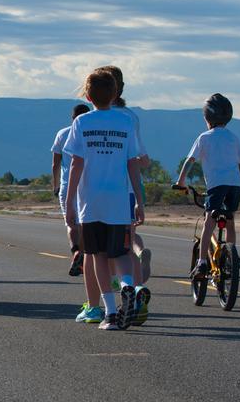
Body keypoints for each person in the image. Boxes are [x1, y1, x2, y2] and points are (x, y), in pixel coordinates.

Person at [65, 70, 148, 330]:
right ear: (115, 94)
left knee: (97, 255)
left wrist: (69, 203)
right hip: (118, 198)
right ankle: (127, 285)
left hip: (91, 200)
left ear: (88, 96)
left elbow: (76, 164)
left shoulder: (82, 122)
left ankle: (110, 313)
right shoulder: (125, 122)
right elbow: (133, 164)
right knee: (121, 252)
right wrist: (139, 200)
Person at [96, 64, 152, 324]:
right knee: (126, 247)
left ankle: (113, 302)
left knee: (102, 252)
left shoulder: (92, 118)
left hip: (98, 193)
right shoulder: (131, 117)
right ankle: (136, 293)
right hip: (128, 190)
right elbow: (141, 159)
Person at [177, 93, 240, 279]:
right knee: (230, 221)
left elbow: (189, 161)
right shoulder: (234, 138)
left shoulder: (204, 137)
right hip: (234, 185)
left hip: (216, 186)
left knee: (209, 221)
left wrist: (180, 182)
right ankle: (232, 258)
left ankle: (201, 264)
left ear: (207, 117)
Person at [51, 104, 92, 277]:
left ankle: (75, 251)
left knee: (70, 223)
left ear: (72, 117)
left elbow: (55, 164)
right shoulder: (91, 133)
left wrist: (55, 185)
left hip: (67, 184)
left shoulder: (62, 133)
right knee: (83, 223)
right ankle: (81, 253)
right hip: (86, 184)